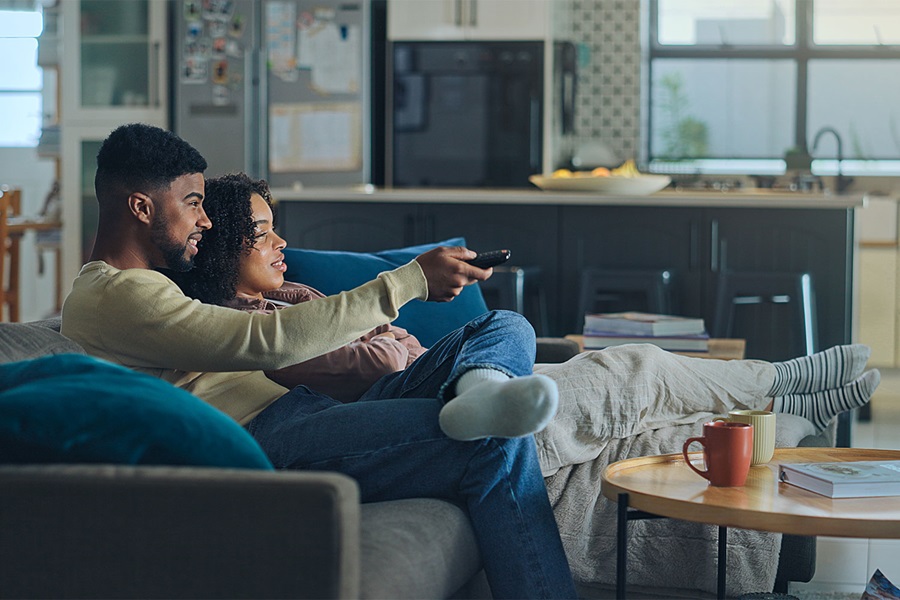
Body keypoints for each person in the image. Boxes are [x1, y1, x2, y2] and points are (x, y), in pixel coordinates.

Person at [60, 123, 577, 598]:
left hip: (303, 413)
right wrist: (409, 280)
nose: (205, 219)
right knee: (492, 442)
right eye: (193, 203)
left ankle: (483, 388)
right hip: (267, 438)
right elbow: (267, 340)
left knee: (504, 326)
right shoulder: (117, 296)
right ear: (141, 208)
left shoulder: (150, 285)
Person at [171, 172, 881, 476]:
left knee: (513, 324)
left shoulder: (294, 296)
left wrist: (390, 340)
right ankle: (783, 385)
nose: (280, 243)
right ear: (225, 245)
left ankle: (785, 391)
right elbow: (380, 361)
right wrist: (387, 341)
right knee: (633, 368)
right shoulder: (240, 330)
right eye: (262, 233)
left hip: (438, 381)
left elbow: (395, 342)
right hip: (412, 395)